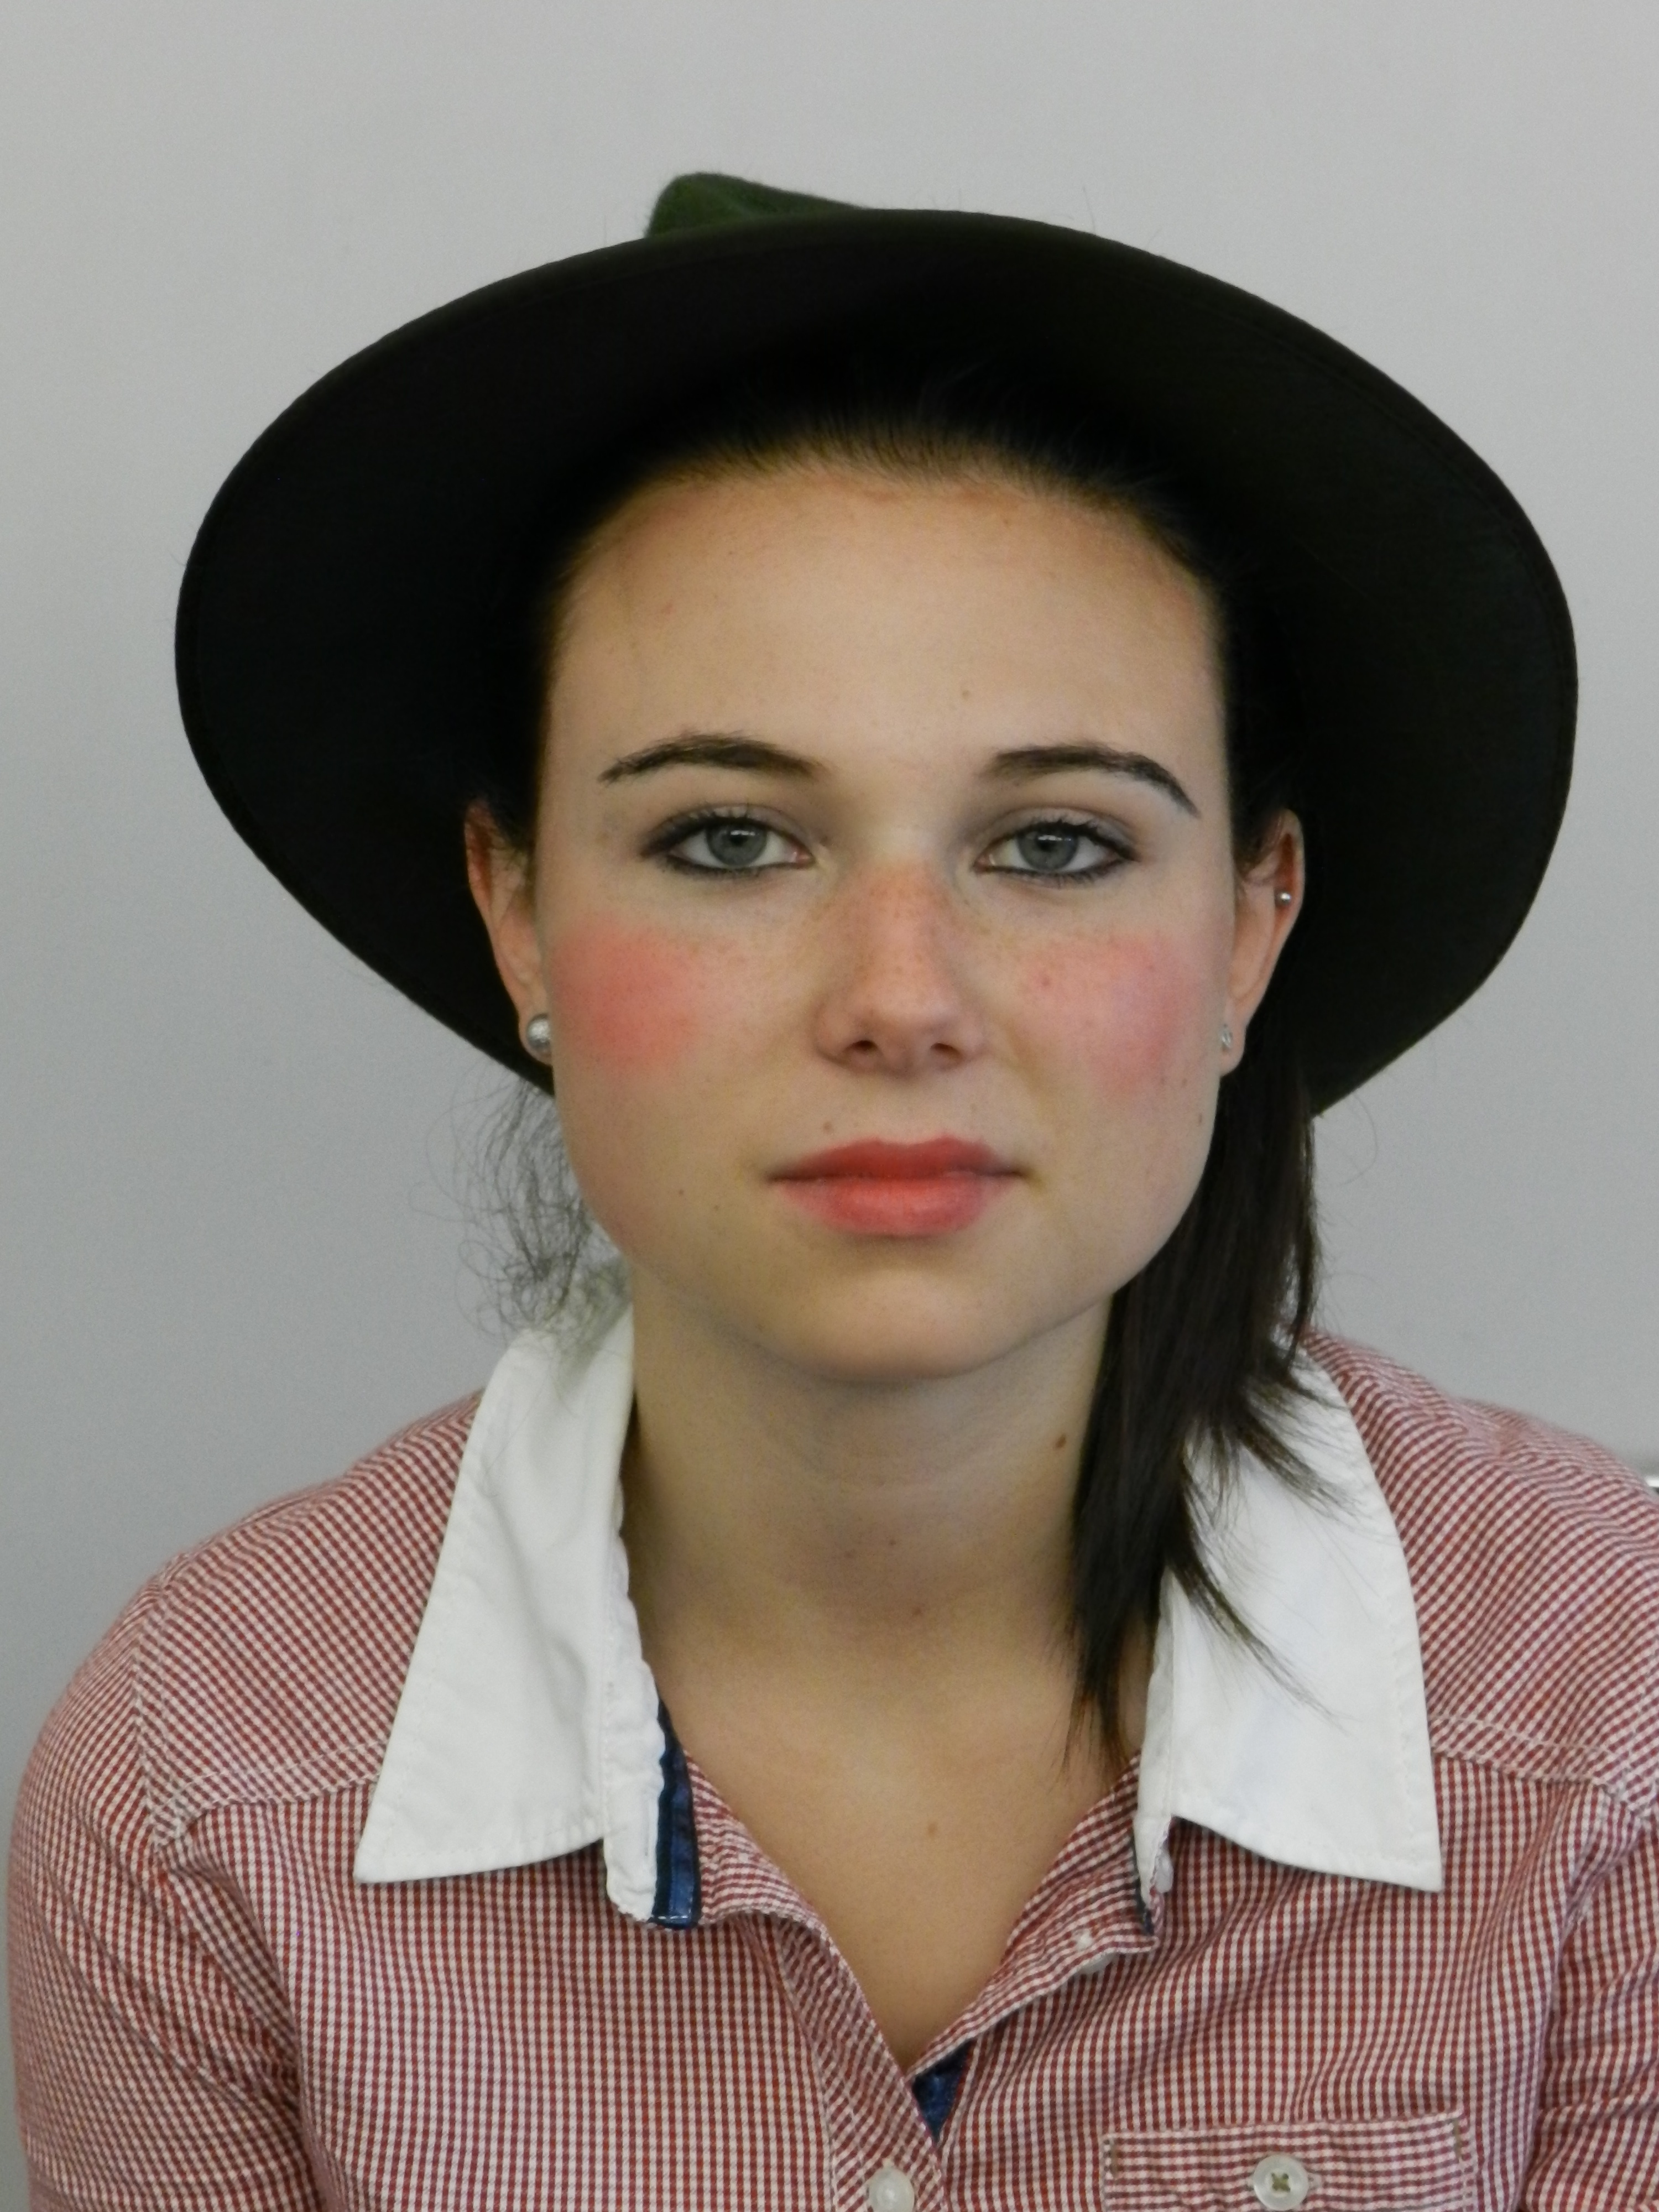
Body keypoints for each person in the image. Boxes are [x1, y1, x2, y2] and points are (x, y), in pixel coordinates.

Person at [8, 173, 1656, 2211]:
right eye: (727, 839)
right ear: (515, 913)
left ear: (1252, 925)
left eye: (1055, 845)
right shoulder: (201, 1790)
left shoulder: (1613, 1704)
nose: (900, 1002)